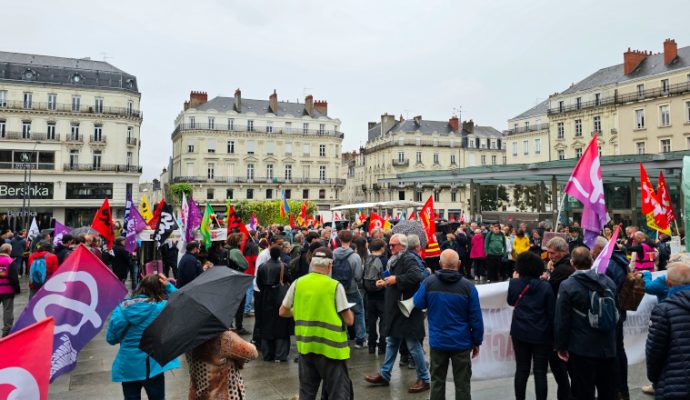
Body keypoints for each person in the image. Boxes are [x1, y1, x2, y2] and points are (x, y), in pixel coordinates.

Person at [279, 247, 354, 400]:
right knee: (338, 393)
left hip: (306, 346)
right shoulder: (334, 286)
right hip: (332, 350)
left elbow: (282, 311)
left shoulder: (298, 283)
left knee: (306, 393)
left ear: (312, 264)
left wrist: (301, 310)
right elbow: (349, 320)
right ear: (330, 265)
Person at [413, 249, 483, 400]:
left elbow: (417, 303)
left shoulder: (429, 282)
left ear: (439, 264)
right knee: (462, 383)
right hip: (462, 342)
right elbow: (476, 318)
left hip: (438, 342)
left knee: (437, 381)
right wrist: (477, 341)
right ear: (458, 264)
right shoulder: (468, 287)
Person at [365, 234, 430, 394]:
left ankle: (425, 378)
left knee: (413, 345)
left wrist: (396, 279)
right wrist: (385, 282)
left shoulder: (409, 258)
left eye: (394, 245)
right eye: (390, 245)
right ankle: (385, 374)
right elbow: (394, 279)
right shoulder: (394, 259)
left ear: (402, 245)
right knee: (392, 341)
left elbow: (416, 276)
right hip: (396, 308)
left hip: (406, 309)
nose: (390, 247)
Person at [554, 247, 618, 400]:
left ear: (572, 263)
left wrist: (561, 346)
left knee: (583, 391)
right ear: (591, 261)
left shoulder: (568, 285)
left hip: (581, 347)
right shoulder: (608, 282)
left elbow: (562, 319)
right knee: (607, 391)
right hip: (607, 347)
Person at [106, 274, 180, 400]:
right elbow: (181, 302)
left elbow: (111, 339)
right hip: (153, 366)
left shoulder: (122, 309)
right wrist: (168, 286)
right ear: (159, 290)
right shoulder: (161, 308)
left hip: (129, 366)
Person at [508, 251, 555, 400]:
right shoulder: (545, 286)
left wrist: (515, 279)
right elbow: (551, 313)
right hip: (541, 333)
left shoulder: (514, 283)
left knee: (522, 369)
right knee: (540, 372)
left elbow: (510, 302)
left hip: (519, 332)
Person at [591, 236, 631, 400]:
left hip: (609, 313)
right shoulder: (619, 259)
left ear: (600, 249)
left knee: (613, 352)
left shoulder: (607, 264)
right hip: (618, 311)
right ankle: (622, 388)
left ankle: (616, 390)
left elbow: (605, 288)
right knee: (619, 349)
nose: (590, 251)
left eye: (592, 248)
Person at [645, 261, 690, 399]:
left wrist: (654, 378)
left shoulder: (663, 310)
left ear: (668, 283)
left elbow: (654, 350)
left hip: (674, 383)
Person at [187, 329, 258, 399]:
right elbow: (252, 353)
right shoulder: (222, 337)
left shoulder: (188, 338)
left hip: (198, 393)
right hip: (222, 395)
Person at [544, 236, 574, 400]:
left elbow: (549, 290)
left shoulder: (562, 270)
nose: (550, 256)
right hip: (565, 322)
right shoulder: (562, 267)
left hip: (560, 324)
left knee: (560, 369)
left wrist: (548, 276)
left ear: (563, 252)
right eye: (548, 253)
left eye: (552, 253)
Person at [256, 246, 291, 362]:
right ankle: (280, 354)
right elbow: (288, 279)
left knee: (267, 325)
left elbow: (259, 282)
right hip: (279, 297)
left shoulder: (262, 266)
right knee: (281, 325)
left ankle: (268, 353)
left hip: (265, 297)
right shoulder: (283, 266)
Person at [332, 230, 366, 348]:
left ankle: (344, 338)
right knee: (359, 312)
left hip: (337, 289)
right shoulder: (355, 256)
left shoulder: (333, 254)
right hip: (352, 288)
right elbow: (358, 276)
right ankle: (360, 339)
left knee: (341, 312)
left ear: (339, 240)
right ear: (351, 240)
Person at [362, 238, 388, 354]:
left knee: (371, 322)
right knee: (383, 322)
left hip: (369, 295)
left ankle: (371, 346)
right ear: (381, 248)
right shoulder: (385, 260)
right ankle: (382, 346)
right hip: (382, 295)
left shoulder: (367, 259)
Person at [226, 233, 249, 335]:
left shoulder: (225, 249)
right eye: (240, 240)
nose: (241, 242)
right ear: (236, 242)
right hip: (237, 280)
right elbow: (245, 264)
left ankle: (228, 325)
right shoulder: (235, 251)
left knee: (229, 303)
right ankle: (239, 327)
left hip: (228, 279)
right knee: (240, 304)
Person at [0, 243, 20, 336]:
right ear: (9, 251)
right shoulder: (10, 262)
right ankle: (6, 332)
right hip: (7, 290)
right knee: (7, 311)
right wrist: (17, 289)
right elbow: (14, 279)